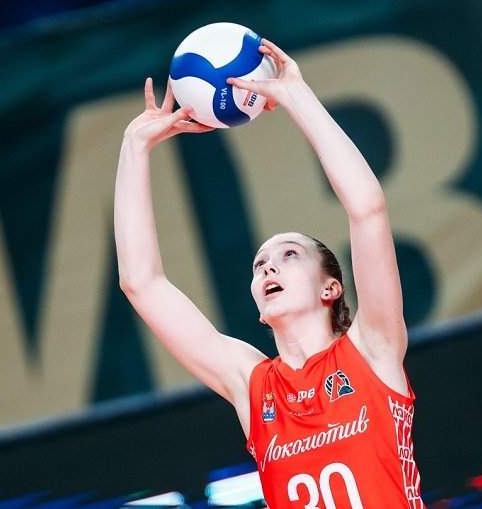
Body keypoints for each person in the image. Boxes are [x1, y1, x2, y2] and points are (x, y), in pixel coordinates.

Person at [114, 38, 424, 508]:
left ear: (331, 288)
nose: (269, 267)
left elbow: (367, 209)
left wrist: (297, 96)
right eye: (260, 265)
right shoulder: (252, 384)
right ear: (259, 306)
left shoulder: (373, 349)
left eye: (290, 255)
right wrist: (134, 149)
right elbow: (141, 283)